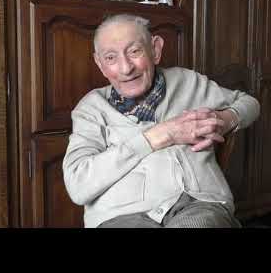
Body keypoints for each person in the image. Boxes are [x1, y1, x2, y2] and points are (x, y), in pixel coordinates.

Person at [62, 14, 260, 228]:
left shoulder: (188, 82)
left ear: (155, 50)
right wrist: (161, 135)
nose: (126, 68)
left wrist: (224, 118)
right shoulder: (91, 108)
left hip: (198, 204)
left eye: (134, 51)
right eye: (111, 58)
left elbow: (249, 103)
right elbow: (78, 186)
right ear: (100, 64)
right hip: (121, 216)